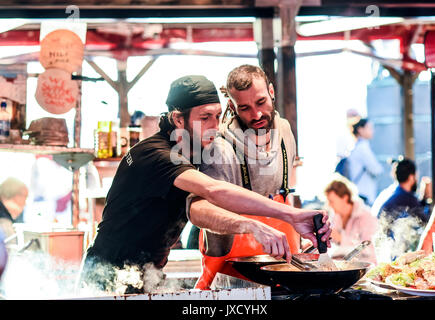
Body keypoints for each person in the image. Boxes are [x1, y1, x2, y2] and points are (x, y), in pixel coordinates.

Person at [79, 74, 331, 294]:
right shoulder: (157, 154)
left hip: (146, 274)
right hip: (108, 275)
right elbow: (213, 190)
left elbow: (212, 198)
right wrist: (270, 220)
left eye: (218, 116)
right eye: (205, 117)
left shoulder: (192, 150)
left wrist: (289, 217)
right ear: (178, 119)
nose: (215, 126)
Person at [188, 65, 304, 289]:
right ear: (232, 106)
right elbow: (199, 211)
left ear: (271, 91)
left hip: (283, 272)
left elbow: (283, 194)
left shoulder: (284, 131)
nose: (257, 114)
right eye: (245, 108)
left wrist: (301, 229)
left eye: (261, 102)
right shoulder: (219, 149)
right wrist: (252, 226)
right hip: (234, 282)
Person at [324, 177, 378, 264]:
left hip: (365, 269)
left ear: (345, 198)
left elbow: (368, 249)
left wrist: (341, 239)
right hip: (345, 267)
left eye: (331, 201)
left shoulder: (366, 216)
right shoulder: (335, 216)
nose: (329, 205)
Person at [378, 158, 430, 224]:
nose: (417, 180)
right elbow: (426, 222)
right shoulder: (407, 198)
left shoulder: (395, 194)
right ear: (411, 177)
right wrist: (428, 199)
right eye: (416, 176)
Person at [346, 118, 383, 206]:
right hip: (364, 195)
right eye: (369, 128)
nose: (372, 131)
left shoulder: (354, 147)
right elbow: (376, 170)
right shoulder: (363, 147)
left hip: (356, 193)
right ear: (360, 130)